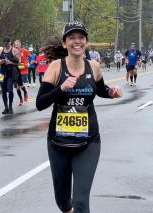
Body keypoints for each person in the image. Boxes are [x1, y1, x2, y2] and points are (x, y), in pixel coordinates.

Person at [36, 21, 122, 213]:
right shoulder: (56, 67)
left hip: (88, 142)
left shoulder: (94, 66)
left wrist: (112, 92)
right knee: (63, 201)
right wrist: (61, 88)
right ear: (65, 43)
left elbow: (101, 90)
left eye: (81, 37)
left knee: (81, 202)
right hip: (58, 143)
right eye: (72, 38)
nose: (77, 41)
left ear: (86, 42)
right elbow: (40, 103)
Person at [0, 37, 19, 114]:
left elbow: (18, 62)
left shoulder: (14, 50)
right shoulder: (1, 50)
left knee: (10, 90)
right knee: (3, 91)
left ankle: (11, 106)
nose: (6, 45)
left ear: (10, 42)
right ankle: (6, 107)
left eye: (7, 43)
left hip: (11, 73)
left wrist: (10, 62)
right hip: (2, 73)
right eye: (4, 43)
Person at [14, 40, 29, 104]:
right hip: (16, 70)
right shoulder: (13, 51)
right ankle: (21, 99)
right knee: (17, 87)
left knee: (20, 85)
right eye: (15, 44)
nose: (16, 45)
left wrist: (28, 63)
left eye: (17, 44)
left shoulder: (24, 50)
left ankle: (25, 92)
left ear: (20, 44)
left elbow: (31, 57)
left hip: (23, 71)